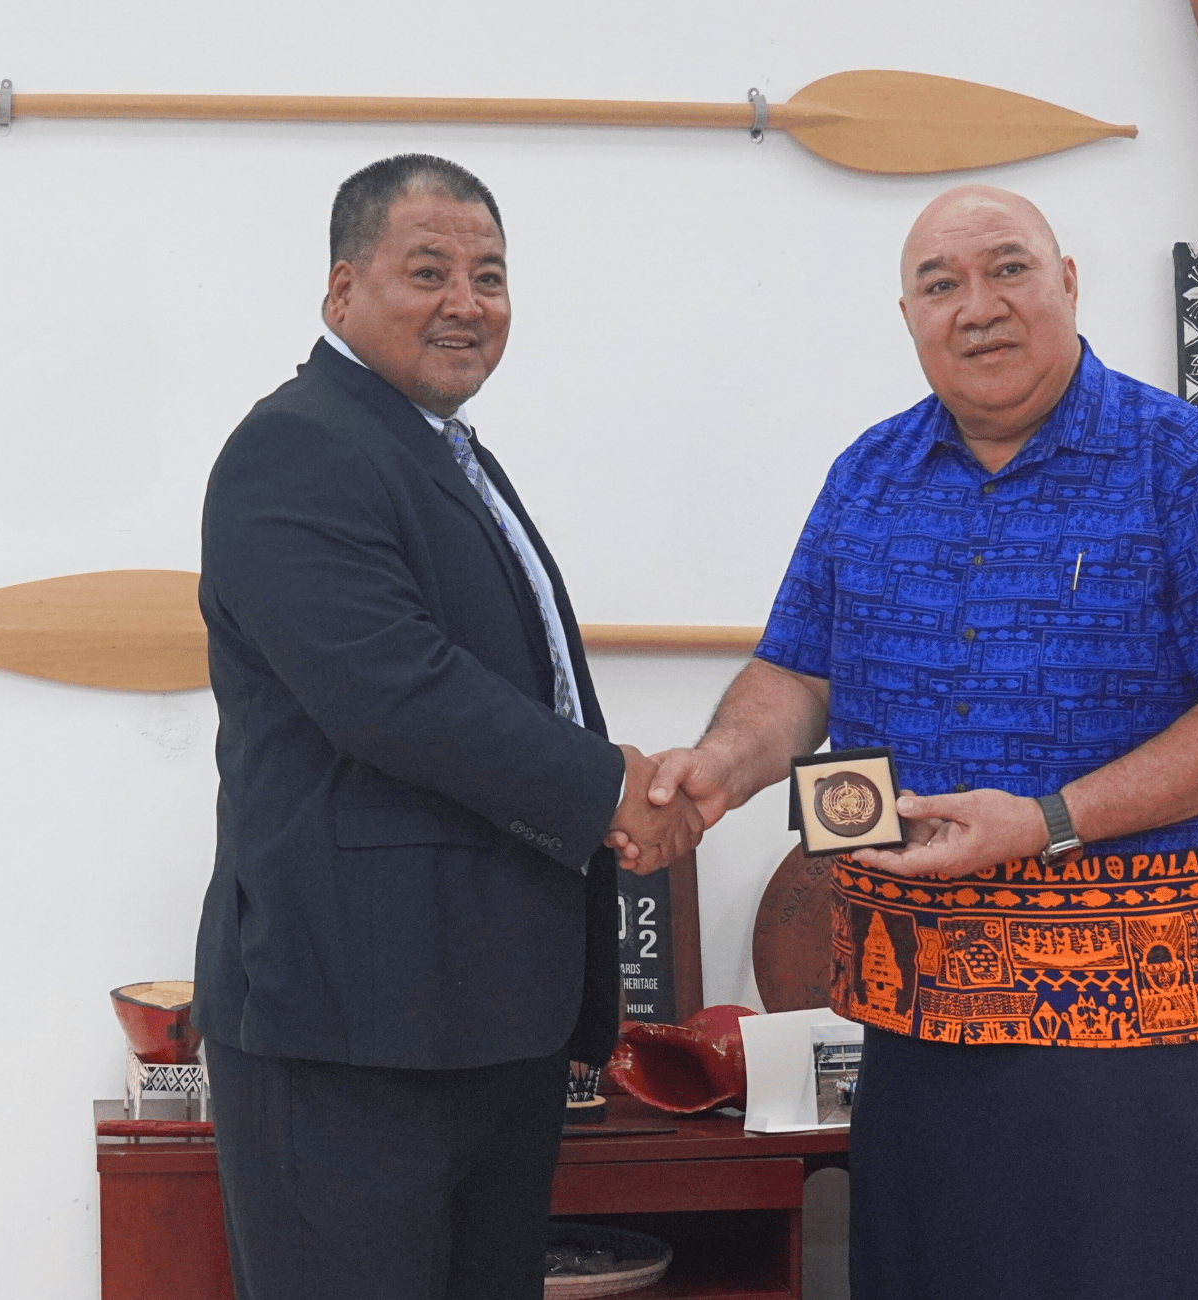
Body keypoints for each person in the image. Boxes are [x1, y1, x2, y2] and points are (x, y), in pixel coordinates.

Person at [630, 184, 1198, 1300]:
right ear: (907, 318)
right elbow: (796, 672)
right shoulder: (870, 473)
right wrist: (723, 761)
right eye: (939, 284)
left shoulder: (1187, 461)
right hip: (919, 1028)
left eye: (1008, 268)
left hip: (1138, 1037)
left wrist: (1049, 823)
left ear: (1066, 282)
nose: (978, 306)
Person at [193, 154, 705, 1300]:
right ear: (340, 292)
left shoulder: (442, 453)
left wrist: (620, 783)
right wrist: (609, 790)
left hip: (481, 1023)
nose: (466, 303)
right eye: (428, 271)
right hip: (352, 1029)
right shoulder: (299, 447)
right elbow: (395, 690)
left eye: (490, 275)